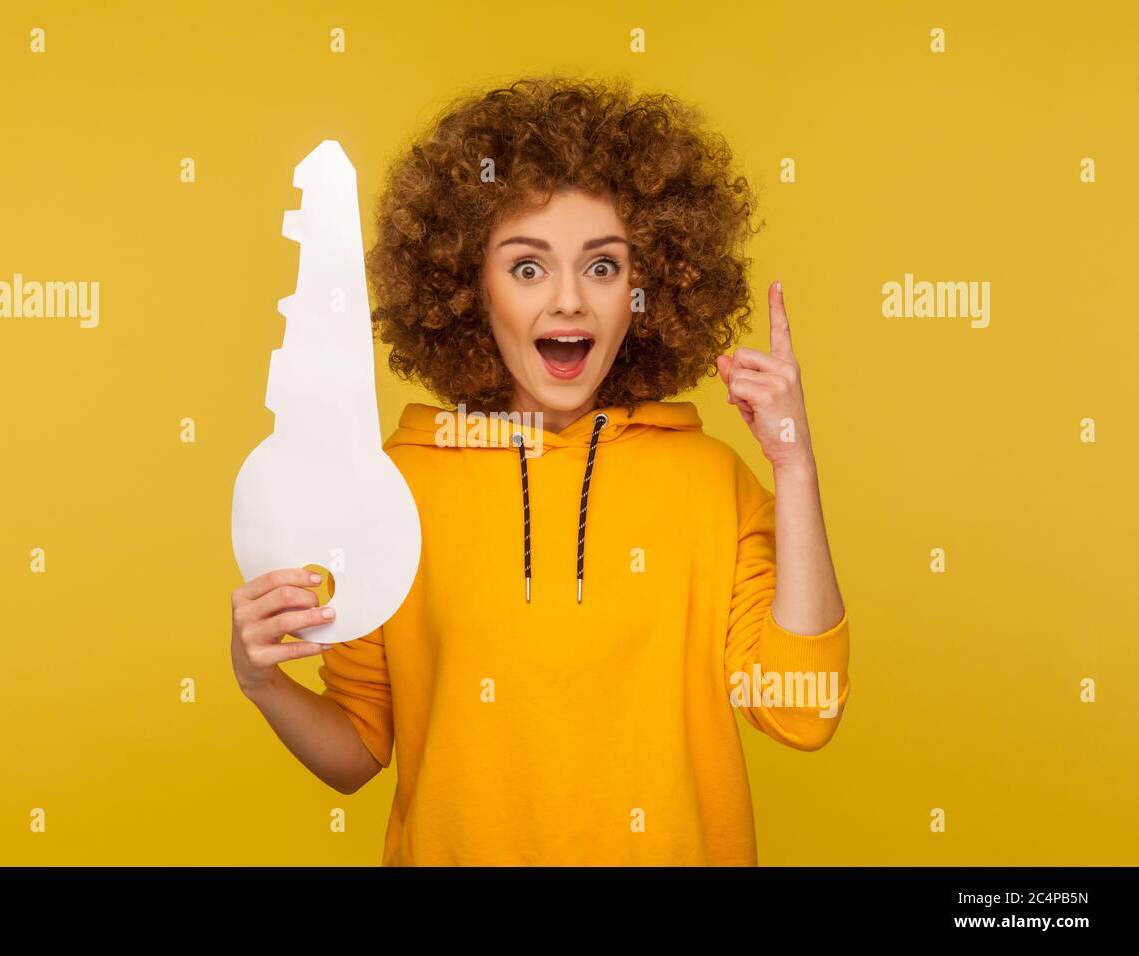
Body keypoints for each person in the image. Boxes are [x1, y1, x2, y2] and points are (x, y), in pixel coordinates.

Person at [230, 74, 850, 866]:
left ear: (644, 290)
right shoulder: (397, 486)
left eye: (602, 268)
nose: (568, 303)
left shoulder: (710, 482)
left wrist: (794, 466)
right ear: (469, 287)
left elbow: (807, 712)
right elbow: (356, 751)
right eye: (527, 268)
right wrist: (263, 683)